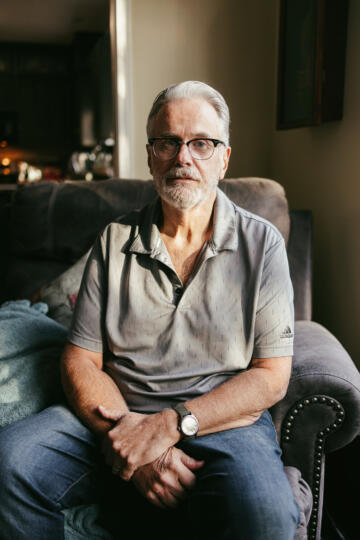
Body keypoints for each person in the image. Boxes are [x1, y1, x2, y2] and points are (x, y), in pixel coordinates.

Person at [0, 81, 300, 539]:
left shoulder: (262, 244)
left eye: (201, 143)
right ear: (150, 155)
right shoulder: (114, 241)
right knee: (11, 463)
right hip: (120, 413)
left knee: (267, 515)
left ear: (224, 158)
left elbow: (271, 376)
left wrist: (170, 425)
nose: (183, 158)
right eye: (168, 143)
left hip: (223, 423)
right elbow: (81, 359)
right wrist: (133, 442)